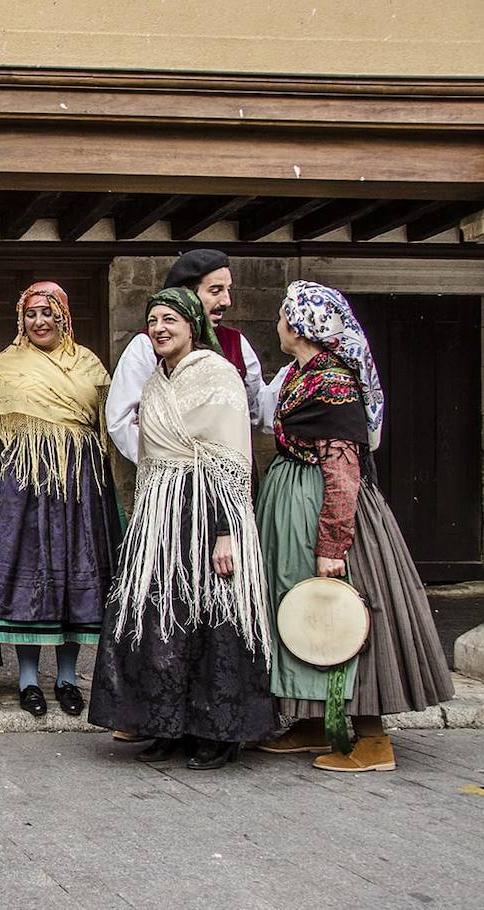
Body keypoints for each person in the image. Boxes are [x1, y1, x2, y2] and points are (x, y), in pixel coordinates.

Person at [255, 281, 454, 772]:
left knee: (343, 610)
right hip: (294, 498)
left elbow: (342, 469)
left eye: (284, 314)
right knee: (297, 607)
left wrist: (332, 544)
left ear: (301, 326)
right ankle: (307, 721)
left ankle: (371, 737)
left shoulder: (333, 381)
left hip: (326, 508)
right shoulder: (302, 373)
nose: (279, 322)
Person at [88, 287, 278, 770]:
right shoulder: (156, 382)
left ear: (193, 324)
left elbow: (230, 460)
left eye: (169, 319)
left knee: (215, 619)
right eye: (152, 321)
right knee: (158, 619)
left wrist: (226, 532)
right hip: (160, 513)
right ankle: (166, 723)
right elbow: (150, 453)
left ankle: (220, 734)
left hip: (209, 511)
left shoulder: (218, 375)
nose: (160, 328)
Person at [0, 282, 120, 718]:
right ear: (21, 319)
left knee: (77, 570)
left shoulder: (88, 363)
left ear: (64, 316)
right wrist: (1, 459)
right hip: (27, 482)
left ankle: (67, 677)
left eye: (48, 313)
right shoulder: (7, 362)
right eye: (32, 314)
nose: (40, 322)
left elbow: (109, 422)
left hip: (80, 480)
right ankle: (27, 680)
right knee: (30, 573)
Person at [106, 249, 265, 478]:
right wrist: (163, 461)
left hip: (229, 477)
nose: (226, 301)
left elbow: (254, 408)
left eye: (227, 290)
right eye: (215, 291)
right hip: (170, 478)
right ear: (187, 294)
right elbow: (120, 419)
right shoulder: (146, 345)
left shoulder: (236, 342)